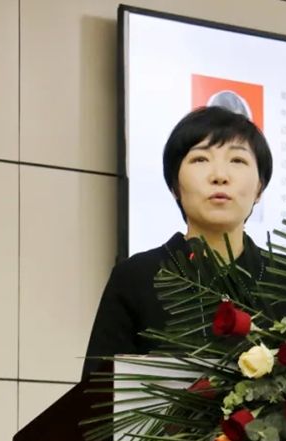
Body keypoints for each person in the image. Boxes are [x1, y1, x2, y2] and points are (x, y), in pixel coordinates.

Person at [82, 106, 275, 378]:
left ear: (259, 188)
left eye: (237, 160)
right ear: (174, 186)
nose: (220, 176)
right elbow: (99, 392)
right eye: (200, 159)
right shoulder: (136, 278)